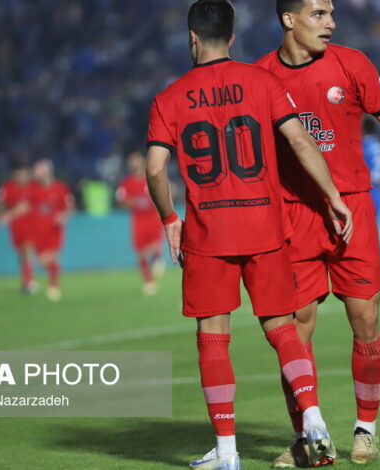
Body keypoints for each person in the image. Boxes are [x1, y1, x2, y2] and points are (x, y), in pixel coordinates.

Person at [144, 2, 354, 468]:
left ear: (193, 38)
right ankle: (314, 419)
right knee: (282, 327)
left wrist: (169, 218)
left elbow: (156, 169)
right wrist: (334, 195)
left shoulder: (169, 98)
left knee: (213, 338)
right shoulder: (264, 82)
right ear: (232, 39)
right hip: (264, 225)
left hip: (208, 232)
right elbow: (301, 141)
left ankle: (227, 454)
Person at [255, 0, 380, 465]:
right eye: (318, 14)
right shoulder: (260, 76)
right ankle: (309, 436)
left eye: (331, 14)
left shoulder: (353, 63)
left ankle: (366, 428)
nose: (330, 23)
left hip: (352, 209)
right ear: (289, 20)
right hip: (293, 216)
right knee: (295, 329)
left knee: (365, 320)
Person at [116, 152, 165, 296]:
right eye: (132, 161)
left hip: (152, 218)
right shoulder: (126, 183)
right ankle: (149, 281)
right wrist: (128, 202)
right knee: (141, 254)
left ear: (142, 162)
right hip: (138, 220)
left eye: (137, 161)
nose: (135, 164)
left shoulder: (150, 177)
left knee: (155, 246)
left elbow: (163, 192)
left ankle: (158, 258)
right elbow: (120, 199)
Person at [29, 159, 74, 302]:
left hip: (55, 229)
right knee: (42, 260)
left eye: (38, 170)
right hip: (38, 230)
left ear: (47, 171)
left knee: (53, 255)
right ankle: (41, 281)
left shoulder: (60, 188)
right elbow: (27, 206)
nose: (36, 173)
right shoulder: (33, 189)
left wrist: (63, 216)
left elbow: (70, 208)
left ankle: (53, 286)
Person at [0, 165, 36, 293]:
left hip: (32, 225)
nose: (21, 176)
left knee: (27, 251)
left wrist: (9, 215)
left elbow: (34, 205)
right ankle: (28, 280)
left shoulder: (34, 188)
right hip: (15, 227)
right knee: (22, 254)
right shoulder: (7, 188)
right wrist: (0, 216)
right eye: (19, 174)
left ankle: (29, 283)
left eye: (24, 173)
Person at [362, 117, 380, 291]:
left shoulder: (365, 144)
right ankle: (378, 273)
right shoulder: (377, 145)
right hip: (377, 191)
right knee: (370, 233)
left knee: (369, 234)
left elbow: (374, 172)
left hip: (369, 191)